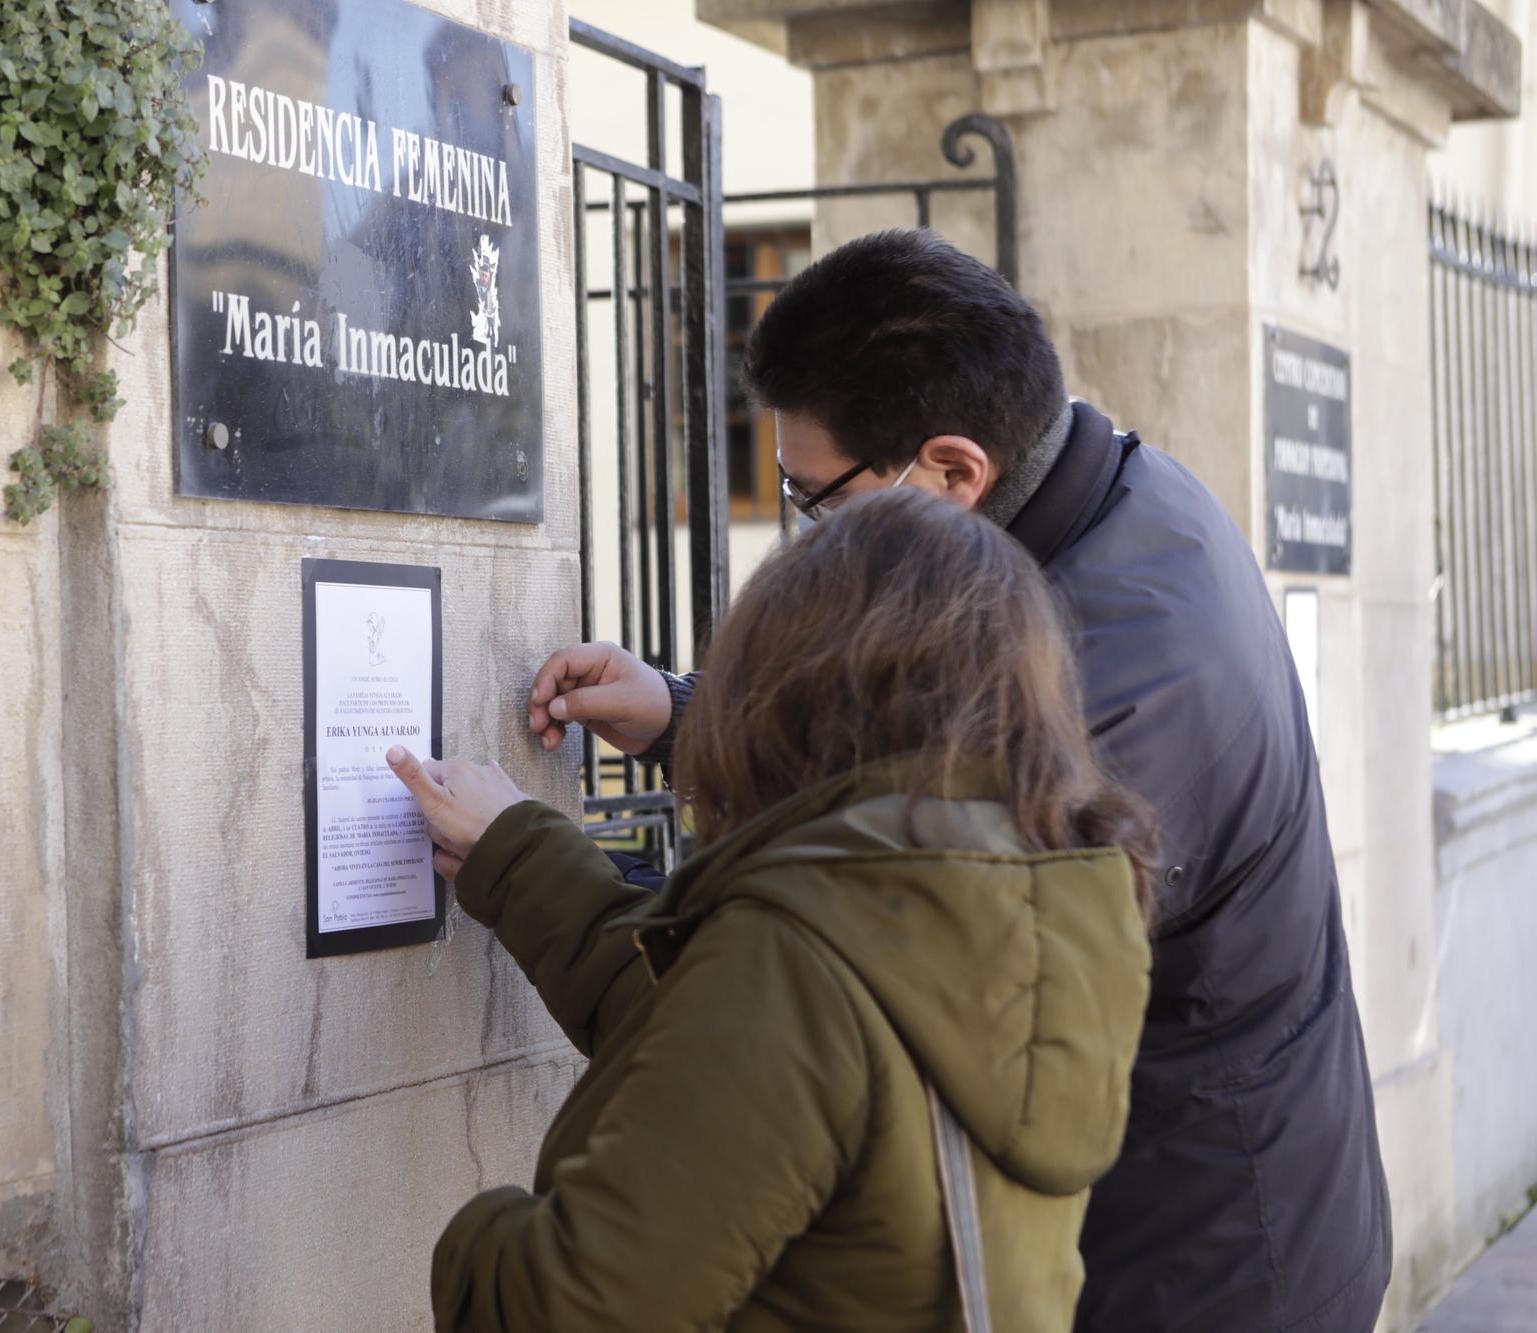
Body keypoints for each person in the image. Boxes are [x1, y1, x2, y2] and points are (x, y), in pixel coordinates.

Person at [528, 230, 1390, 1331]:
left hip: (1196, 1268)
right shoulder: (1116, 500)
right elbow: (895, 777)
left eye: (815, 500)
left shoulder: (1103, 680)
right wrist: (682, 714)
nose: (807, 542)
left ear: (950, 470)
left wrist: (524, 865)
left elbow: (851, 962)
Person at [389, 488, 1156, 1331]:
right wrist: (522, 855)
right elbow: (714, 1039)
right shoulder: (1019, 902)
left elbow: (569, 1305)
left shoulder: (806, 953)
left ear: (801, 692)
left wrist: (471, 1234)